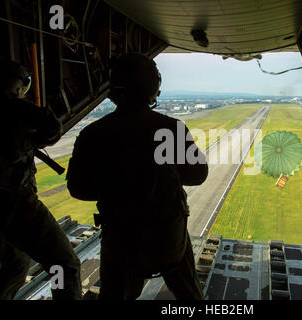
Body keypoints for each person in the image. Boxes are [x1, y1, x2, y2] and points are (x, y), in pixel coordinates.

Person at [66, 53, 208, 300]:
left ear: (114, 89)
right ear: (153, 88)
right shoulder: (171, 129)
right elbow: (198, 175)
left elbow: (78, 188)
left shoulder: (93, 134)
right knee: (190, 294)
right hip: (168, 238)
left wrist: (115, 189)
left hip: (121, 239)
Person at [0, 59, 82, 300]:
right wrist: (30, 141)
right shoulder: (13, 108)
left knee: (16, 263)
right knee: (64, 264)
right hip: (16, 203)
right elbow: (53, 128)